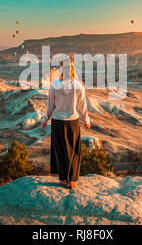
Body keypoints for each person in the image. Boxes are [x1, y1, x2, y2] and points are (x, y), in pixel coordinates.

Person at [41, 60, 90, 190]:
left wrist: (45, 119)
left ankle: (63, 179)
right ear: (73, 71)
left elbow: (50, 105)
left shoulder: (54, 85)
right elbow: (82, 105)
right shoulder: (78, 85)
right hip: (72, 122)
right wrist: (86, 120)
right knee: (73, 151)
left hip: (57, 121)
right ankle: (72, 180)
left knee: (60, 150)